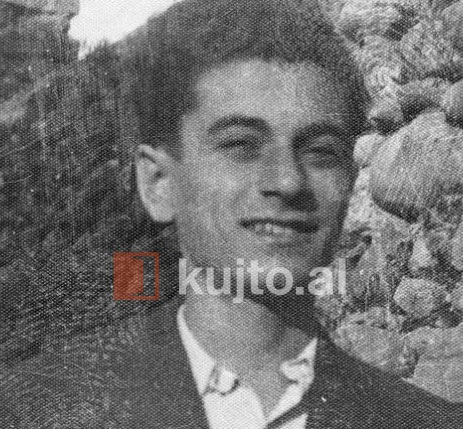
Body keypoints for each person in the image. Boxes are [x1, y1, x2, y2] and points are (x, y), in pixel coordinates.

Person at [1, 0, 462, 428]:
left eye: (321, 151)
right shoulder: (36, 408)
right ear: (158, 183)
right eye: (240, 144)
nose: (288, 182)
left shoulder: (426, 422)